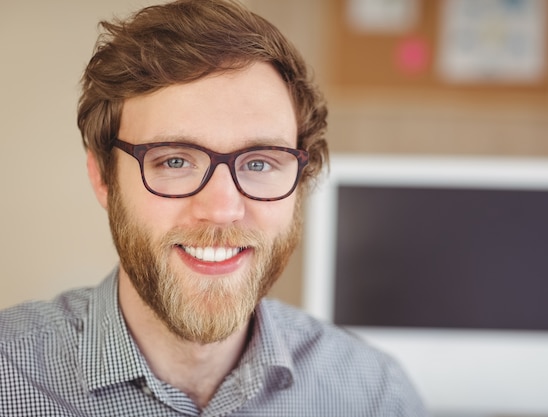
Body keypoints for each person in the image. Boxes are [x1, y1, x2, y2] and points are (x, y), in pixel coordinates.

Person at [0, 0, 427, 415]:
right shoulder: (9, 376)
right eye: (175, 161)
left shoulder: (375, 396)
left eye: (259, 163)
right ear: (103, 177)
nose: (222, 209)